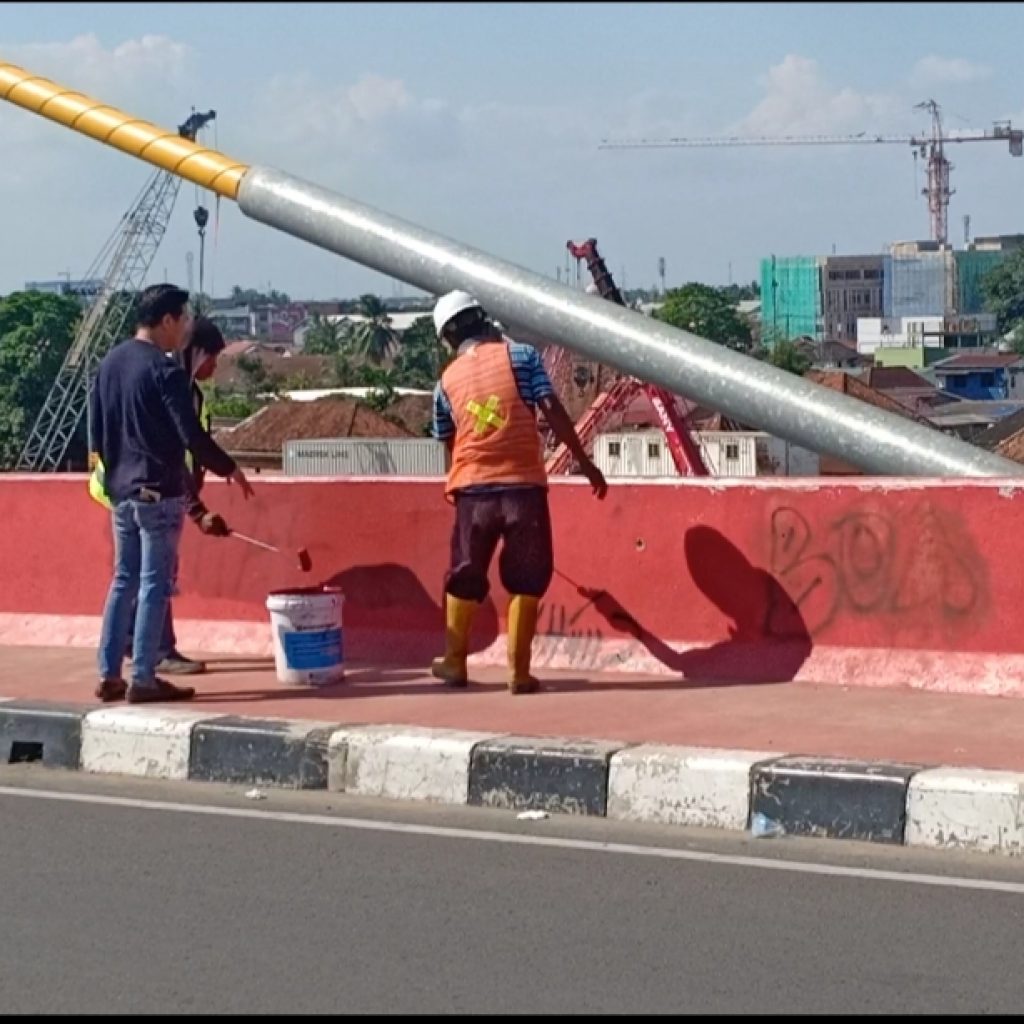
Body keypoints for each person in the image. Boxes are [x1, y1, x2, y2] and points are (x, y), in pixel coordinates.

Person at [429, 289, 607, 694]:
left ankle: (454, 661)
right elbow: (552, 408)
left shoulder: (445, 382)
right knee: (527, 576)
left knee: (465, 572)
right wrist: (583, 460)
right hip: (523, 488)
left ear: (448, 338)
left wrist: (458, 483)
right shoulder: (523, 357)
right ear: (482, 319)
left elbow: (449, 441)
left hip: (473, 492)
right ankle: (519, 672)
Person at [88, 284, 253, 704]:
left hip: (121, 491)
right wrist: (229, 467)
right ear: (167, 320)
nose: (185, 328)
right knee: (154, 585)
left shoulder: (110, 364)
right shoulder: (166, 372)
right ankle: (144, 677)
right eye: (183, 319)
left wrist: (117, 478)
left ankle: (109, 673)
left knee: (123, 580)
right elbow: (190, 435)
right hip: (158, 493)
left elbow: (98, 434)